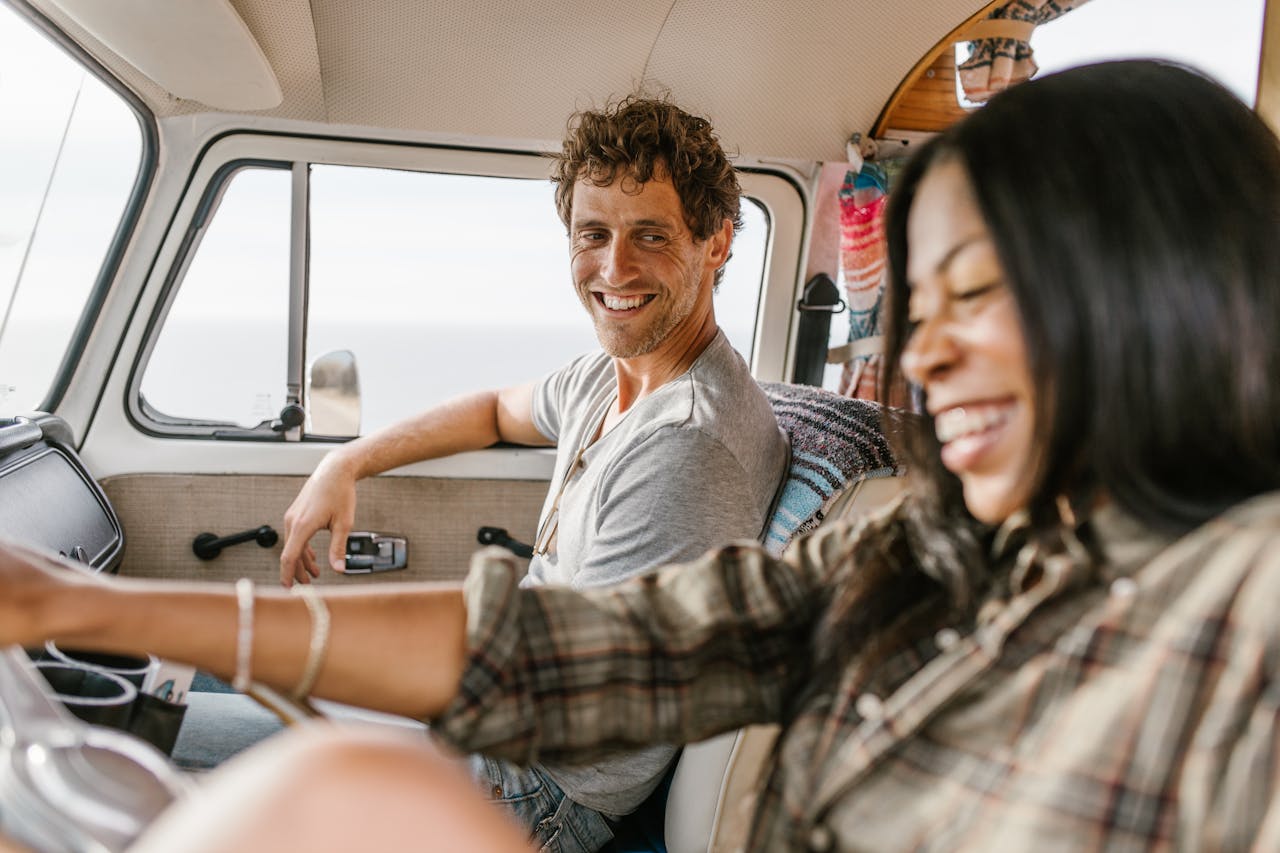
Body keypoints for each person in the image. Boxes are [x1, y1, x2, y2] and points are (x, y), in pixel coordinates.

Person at [1, 59, 1278, 851]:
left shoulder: (1239, 609)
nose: (927, 362)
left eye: (981, 293)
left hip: (556, 798)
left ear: (1161, 288)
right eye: (918, 310)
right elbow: (579, 646)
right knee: (318, 781)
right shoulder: (916, 557)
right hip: (518, 733)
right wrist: (87, 602)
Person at [273, 96, 786, 849]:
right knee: (216, 701)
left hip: (539, 789)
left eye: (651, 235)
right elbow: (493, 409)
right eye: (594, 234)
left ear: (716, 243)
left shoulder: (688, 446)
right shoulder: (611, 372)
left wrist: (314, 653)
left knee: (186, 740)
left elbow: (565, 697)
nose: (614, 268)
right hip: (505, 725)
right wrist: (347, 458)